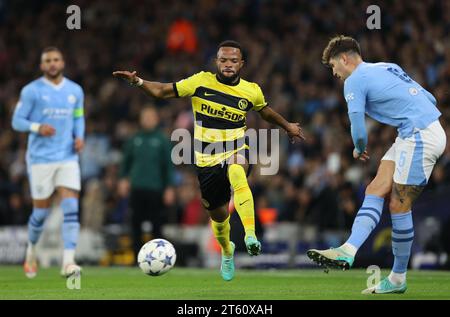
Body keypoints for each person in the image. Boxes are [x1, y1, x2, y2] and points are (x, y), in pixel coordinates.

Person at [113, 40, 305, 281]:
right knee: (219, 215)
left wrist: (287, 126)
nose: (228, 64)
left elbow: (264, 110)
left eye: (233, 61)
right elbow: (162, 90)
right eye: (223, 60)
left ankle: (250, 235)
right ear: (217, 61)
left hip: (236, 146)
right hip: (206, 159)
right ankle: (227, 251)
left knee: (238, 170)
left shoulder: (251, 90)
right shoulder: (200, 81)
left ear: (241, 64)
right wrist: (137, 82)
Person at [307, 35, 446, 294]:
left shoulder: (354, 81)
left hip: (419, 136)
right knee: (375, 189)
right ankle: (347, 250)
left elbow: (358, 129)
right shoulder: (387, 66)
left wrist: (359, 148)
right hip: (414, 133)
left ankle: (398, 278)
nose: (335, 73)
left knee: (398, 204)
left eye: (334, 67)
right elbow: (431, 99)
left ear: (344, 59)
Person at [12, 47, 85, 278]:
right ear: (42, 66)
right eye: (48, 61)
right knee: (40, 214)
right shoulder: (31, 91)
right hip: (40, 159)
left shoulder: (75, 90)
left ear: (62, 63)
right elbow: (16, 121)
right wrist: (36, 127)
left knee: (71, 207)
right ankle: (31, 251)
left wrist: (80, 136)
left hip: (67, 157)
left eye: (56, 59)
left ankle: (68, 262)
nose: (52, 63)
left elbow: (78, 116)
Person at [118, 106, 175, 258]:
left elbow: (168, 166)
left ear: (156, 119)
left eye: (151, 117)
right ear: (141, 119)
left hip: (156, 188)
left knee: (157, 224)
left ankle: (160, 256)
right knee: (135, 224)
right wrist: (123, 179)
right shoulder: (134, 139)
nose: (148, 120)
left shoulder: (162, 140)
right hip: (137, 187)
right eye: (145, 117)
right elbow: (126, 162)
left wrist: (169, 188)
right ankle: (136, 257)